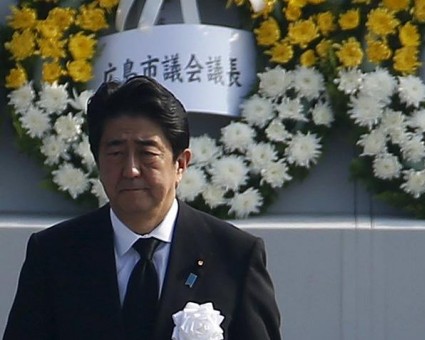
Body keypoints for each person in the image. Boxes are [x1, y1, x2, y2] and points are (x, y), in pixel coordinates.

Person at [3, 76, 281, 340]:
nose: (131, 169)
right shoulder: (54, 254)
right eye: (116, 153)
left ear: (181, 164)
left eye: (147, 153)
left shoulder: (234, 256)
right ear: (98, 162)